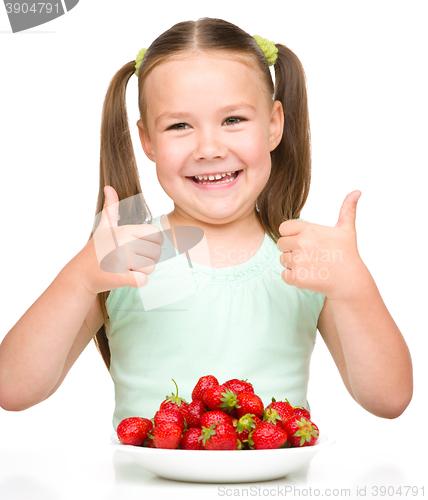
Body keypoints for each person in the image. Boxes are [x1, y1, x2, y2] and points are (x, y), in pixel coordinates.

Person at [0, 18, 412, 430]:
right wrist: (81, 277)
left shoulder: (301, 254)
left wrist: (355, 286)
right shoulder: (131, 251)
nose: (210, 148)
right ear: (148, 141)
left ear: (273, 125)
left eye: (233, 120)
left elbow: (389, 399)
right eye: (179, 126)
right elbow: (13, 390)